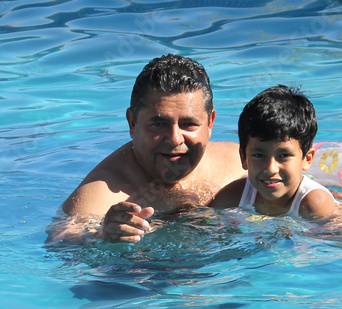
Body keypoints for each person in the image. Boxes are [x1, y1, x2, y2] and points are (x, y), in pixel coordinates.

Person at [52, 54, 244, 243]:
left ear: (210, 123)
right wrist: (101, 236)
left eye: (188, 124)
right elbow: (60, 241)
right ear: (132, 123)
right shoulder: (103, 195)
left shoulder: (239, 165)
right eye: (159, 124)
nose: (175, 139)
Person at [209, 85, 342, 219]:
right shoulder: (233, 196)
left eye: (284, 155)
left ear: (307, 159)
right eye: (259, 155)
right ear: (244, 158)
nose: (270, 168)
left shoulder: (315, 205)